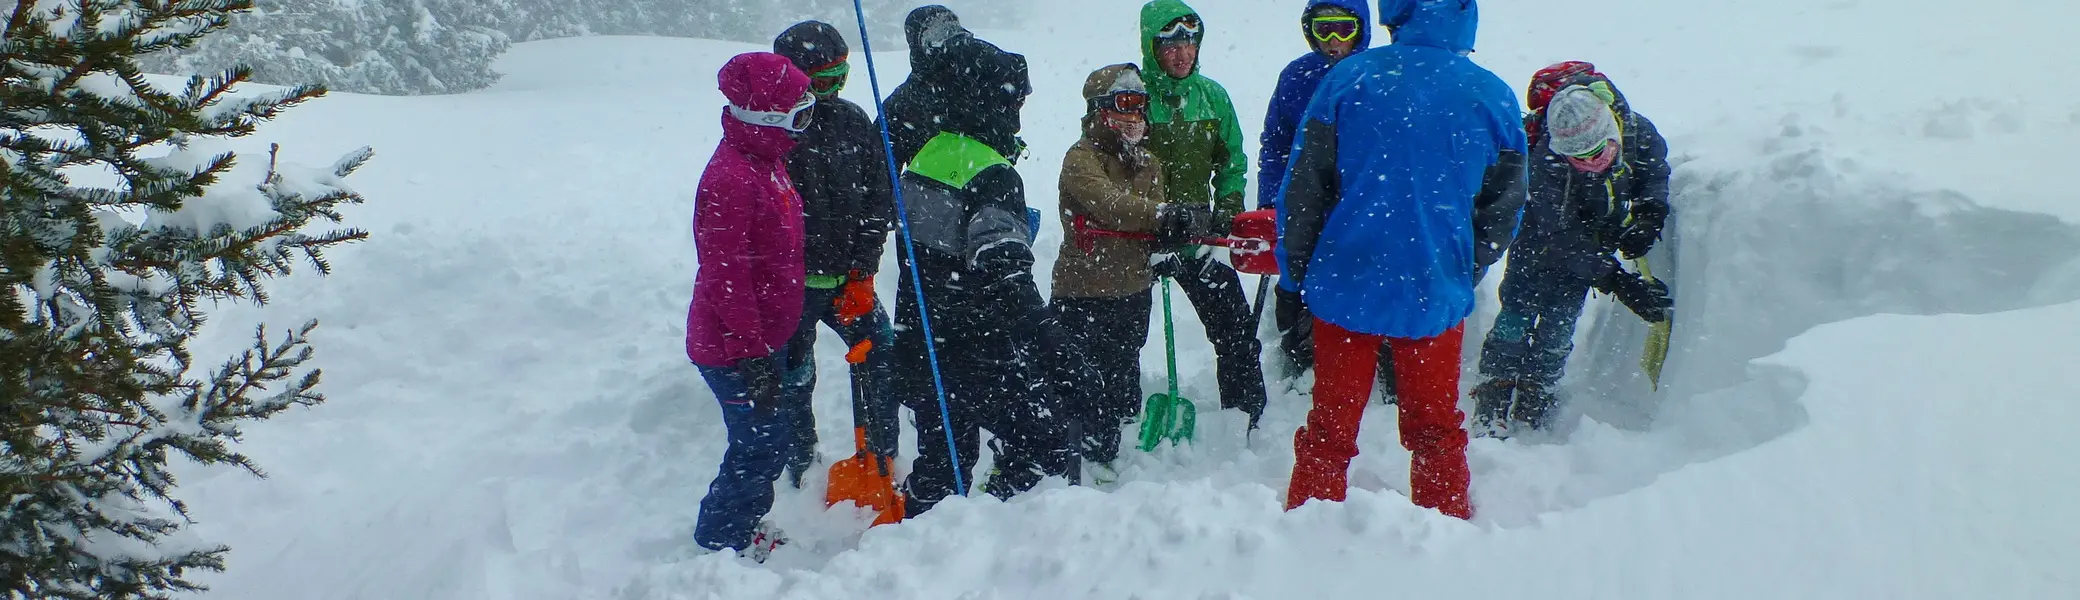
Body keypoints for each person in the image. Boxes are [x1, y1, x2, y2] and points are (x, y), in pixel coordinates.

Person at [1277, 0, 1528, 520]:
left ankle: (1308, 534)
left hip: (1346, 281)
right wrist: (1463, 264)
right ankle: (1443, 534)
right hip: (1433, 289)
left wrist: (1297, 268)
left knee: (1330, 426)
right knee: (1436, 430)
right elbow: (1503, 209)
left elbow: (1305, 188)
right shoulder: (1493, 95)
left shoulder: (1349, 79)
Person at [889, 34, 1072, 517]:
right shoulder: (991, 172)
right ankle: (1003, 532)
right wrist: (1053, 343)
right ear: (994, 99)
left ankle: (918, 546)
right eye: (1015, 98)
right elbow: (1004, 274)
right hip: (978, 349)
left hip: (922, 342)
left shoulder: (928, 154)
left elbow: (934, 246)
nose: (1019, 111)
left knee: (943, 460)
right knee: (1045, 443)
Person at [1471, 61, 1673, 437]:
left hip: (1589, 251)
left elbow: (1653, 171)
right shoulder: (1546, 161)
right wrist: (1617, 280)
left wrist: (1650, 215)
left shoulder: (1635, 132)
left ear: (1612, 130)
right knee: (1515, 316)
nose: (1592, 164)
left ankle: (1537, 391)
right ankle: (1494, 389)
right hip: (1536, 246)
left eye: (1599, 152)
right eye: (1579, 159)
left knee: (1559, 327)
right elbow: (1555, 234)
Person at [686, 52, 814, 559]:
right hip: (733, 347)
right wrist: (752, 353)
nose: (804, 129)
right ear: (763, 119)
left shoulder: (768, 161)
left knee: (769, 441)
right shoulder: (731, 180)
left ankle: (741, 525)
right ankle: (720, 542)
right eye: (797, 117)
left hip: (764, 338)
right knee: (760, 446)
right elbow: (727, 276)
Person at [769, 21, 899, 488]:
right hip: (793, 290)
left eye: (841, 76)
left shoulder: (853, 120)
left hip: (848, 281)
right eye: (823, 80)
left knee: (882, 353)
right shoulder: (775, 130)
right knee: (793, 374)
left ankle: (882, 455)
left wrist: (863, 273)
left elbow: (877, 199)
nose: (834, 89)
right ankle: (800, 463)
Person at [1137, 0, 1267, 428]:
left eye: (1189, 42)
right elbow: (1107, 165)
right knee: (1120, 333)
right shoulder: (1133, 98)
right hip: (1140, 241)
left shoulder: (1212, 97)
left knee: (1236, 332)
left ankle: (1246, 414)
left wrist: (1227, 209)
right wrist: (1147, 219)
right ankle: (1114, 414)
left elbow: (1231, 163)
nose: (1182, 53)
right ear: (1151, 46)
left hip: (1197, 238)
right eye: (1170, 44)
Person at [1050, 64, 1170, 482]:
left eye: (1139, 107)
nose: (1133, 117)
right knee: (1080, 376)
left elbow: (1151, 216)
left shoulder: (1148, 161)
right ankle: (1078, 451)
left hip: (1132, 287)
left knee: (1123, 364)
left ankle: (1118, 447)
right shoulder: (1081, 158)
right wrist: (1159, 216)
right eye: (1124, 105)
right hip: (1083, 290)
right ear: (1101, 110)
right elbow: (1110, 205)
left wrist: (1167, 236)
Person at [1258, 0, 1383, 383]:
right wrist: (1270, 202)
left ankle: (1380, 367)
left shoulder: (1377, 75)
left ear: (1360, 30)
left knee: (1366, 291)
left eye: (1343, 30)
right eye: (1322, 30)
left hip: (1359, 209)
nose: (1333, 41)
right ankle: (1302, 365)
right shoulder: (1298, 76)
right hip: (1305, 207)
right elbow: (1276, 145)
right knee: (1298, 290)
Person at [882, 5, 975, 168]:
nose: (950, 43)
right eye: (937, 36)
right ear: (918, 47)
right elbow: (882, 170)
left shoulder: (978, 81)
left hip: (983, 183)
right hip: (932, 188)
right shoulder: (903, 102)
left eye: (953, 32)